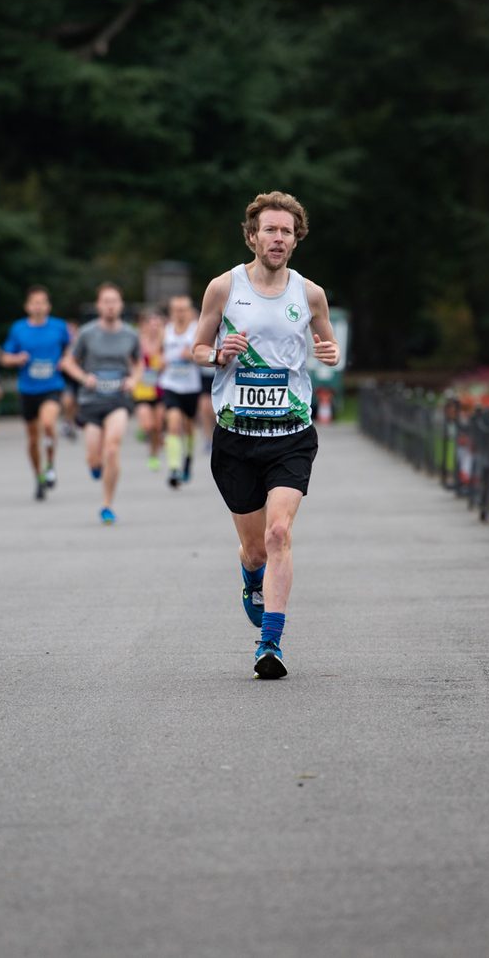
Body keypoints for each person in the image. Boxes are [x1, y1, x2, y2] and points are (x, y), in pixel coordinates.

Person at [191, 191, 339, 680]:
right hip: (235, 436)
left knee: (280, 534)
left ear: (297, 239)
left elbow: (326, 341)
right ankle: (250, 576)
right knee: (255, 549)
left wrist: (330, 353)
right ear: (252, 235)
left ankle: (269, 644)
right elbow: (196, 347)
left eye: (287, 231)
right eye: (270, 229)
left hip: (291, 435)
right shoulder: (223, 288)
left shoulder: (310, 294)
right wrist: (218, 355)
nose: (278, 238)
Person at [60, 283, 141, 525]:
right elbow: (68, 362)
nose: (110, 306)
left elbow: (139, 363)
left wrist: (133, 380)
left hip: (118, 398)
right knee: (94, 458)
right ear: (98, 306)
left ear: (121, 305)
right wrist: (85, 377)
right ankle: (96, 467)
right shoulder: (87, 333)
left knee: (112, 448)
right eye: (106, 301)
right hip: (91, 400)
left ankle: (107, 504)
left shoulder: (130, 333)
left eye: (114, 301)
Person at [0, 285, 70, 501]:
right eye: (34, 303)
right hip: (28, 389)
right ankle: (38, 476)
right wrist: (16, 359)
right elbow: (4, 357)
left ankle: (50, 466)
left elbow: (72, 350)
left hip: (52, 386)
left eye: (42, 302)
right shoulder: (18, 329)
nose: (38, 307)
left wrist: (65, 360)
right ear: (28, 306)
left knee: (48, 424)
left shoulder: (59, 327)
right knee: (32, 438)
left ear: (48, 306)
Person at [160, 293, 203, 488]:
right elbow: (156, 354)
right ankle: (174, 468)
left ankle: (188, 456)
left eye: (183, 309)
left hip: (191, 387)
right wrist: (158, 361)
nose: (180, 313)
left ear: (190, 311)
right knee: (174, 423)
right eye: (176, 310)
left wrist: (192, 356)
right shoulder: (165, 331)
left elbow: (206, 355)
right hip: (170, 385)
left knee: (188, 426)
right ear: (171, 312)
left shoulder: (197, 331)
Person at [132, 308, 166, 472]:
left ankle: (153, 455)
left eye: (157, 325)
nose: (154, 328)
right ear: (144, 325)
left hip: (160, 389)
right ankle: (143, 430)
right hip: (142, 390)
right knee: (148, 425)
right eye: (151, 324)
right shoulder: (138, 342)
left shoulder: (166, 342)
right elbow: (130, 361)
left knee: (158, 427)